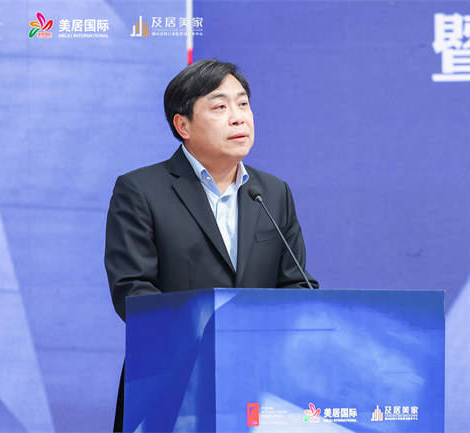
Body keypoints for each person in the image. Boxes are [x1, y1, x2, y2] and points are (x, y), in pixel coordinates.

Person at [104, 59, 318, 432]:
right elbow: (133, 292)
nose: (238, 118)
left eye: (243, 104)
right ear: (183, 125)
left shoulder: (272, 192)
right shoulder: (141, 190)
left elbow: (296, 284)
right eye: (220, 107)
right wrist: (210, 339)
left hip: (256, 385)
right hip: (171, 387)